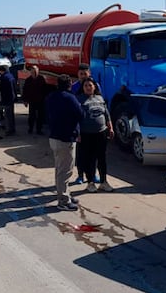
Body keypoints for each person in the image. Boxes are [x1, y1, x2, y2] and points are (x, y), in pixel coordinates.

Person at [45, 74, 84, 211]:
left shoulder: (51, 96)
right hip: (66, 138)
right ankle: (63, 201)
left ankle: (65, 194)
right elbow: (80, 114)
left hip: (54, 136)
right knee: (65, 171)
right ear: (70, 84)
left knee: (59, 168)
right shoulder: (69, 97)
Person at [76, 78, 114, 193]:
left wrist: (110, 128)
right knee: (89, 159)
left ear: (94, 87)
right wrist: (77, 133)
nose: (88, 87)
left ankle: (103, 181)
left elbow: (106, 114)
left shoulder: (100, 98)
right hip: (86, 134)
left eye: (90, 85)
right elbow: (76, 118)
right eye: (86, 85)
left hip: (101, 133)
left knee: (102, 158)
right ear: (83, 88)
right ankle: (90, 182)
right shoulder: (79, 100)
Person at [70, 63, 99, 184]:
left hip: (94, 127)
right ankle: (80, 175)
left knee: (94, 153)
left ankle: (93, 174)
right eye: (81, 74)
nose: (83, 76)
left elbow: (101, 101)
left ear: (89, 74)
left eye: (85, 74)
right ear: (78, 74)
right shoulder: (74, 87)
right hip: (81, 127)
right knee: (81, 153)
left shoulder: (95, 86)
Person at [22, 65, 47, 135]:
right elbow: (25, 91)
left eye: (36, 71)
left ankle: (39, 130)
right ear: (31, 72)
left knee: (40, 116)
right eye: (33, 71)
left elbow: (45, 90)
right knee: (31, 116)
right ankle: (30, 128)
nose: (34, 73)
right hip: (32, 101)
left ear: (38, 71)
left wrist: (45, 99)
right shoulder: (28, 80)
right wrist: (25, 100)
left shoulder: (41, 79)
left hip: (40, 101)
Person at [0, 64, 17, 136]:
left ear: (1, 70)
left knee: (7, 115)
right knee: (11, 115)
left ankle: (9, 130)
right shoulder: (11, 76)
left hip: (6, 99)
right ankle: (12, 129)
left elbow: (2, 90)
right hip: (12, 98)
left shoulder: (3, 78)